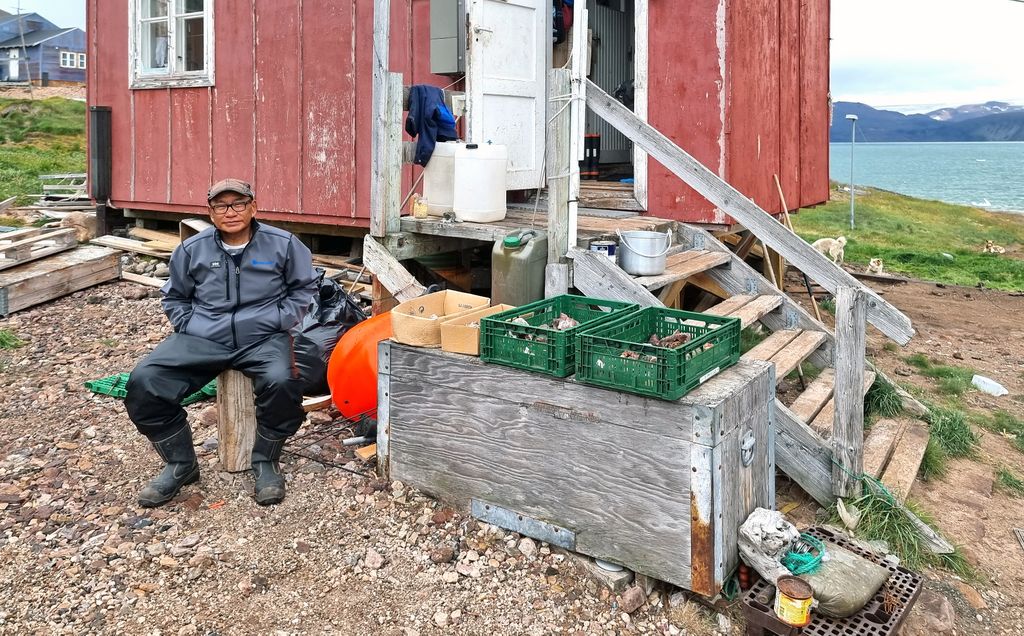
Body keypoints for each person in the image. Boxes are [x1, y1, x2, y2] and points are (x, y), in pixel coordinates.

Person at [125, 179, 318, 508]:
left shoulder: (283, 244)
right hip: (204, 338)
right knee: (145, 382)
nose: (231, 212)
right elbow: (174, 296)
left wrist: (279, 320)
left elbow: (305, 289)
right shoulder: (192, 249)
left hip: (262, 337)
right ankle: (181, 464)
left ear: (253, 207)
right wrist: (190, 325)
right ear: (211, 212)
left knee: (283, 382)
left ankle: (265, 461)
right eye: (221, 206)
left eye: (238, 204)